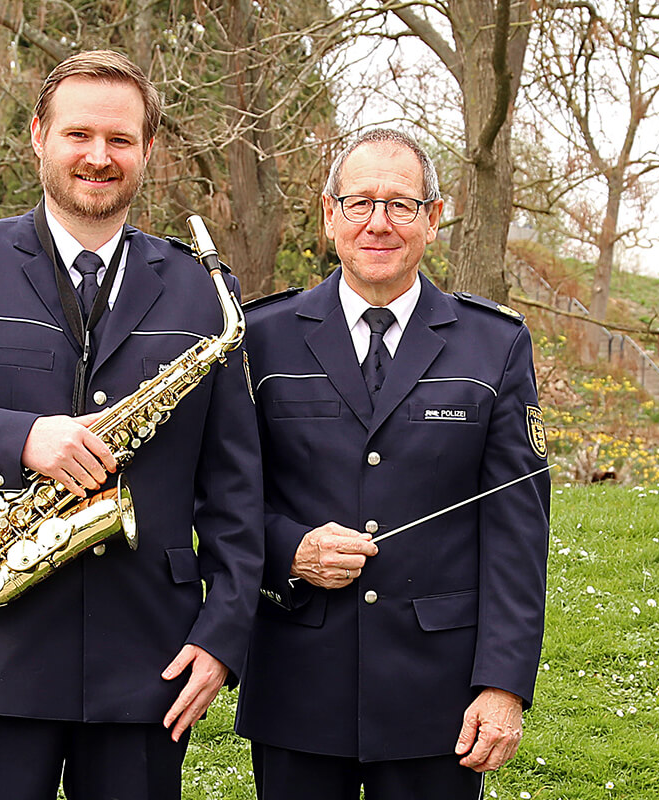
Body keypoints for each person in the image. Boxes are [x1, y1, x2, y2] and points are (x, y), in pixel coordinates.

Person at [0, 50, 262, 800]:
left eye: (120, 140)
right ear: (38, 135)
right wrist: (20, 440)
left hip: (149, 663)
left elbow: (236, 490)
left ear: (147, 151)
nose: (98, 157)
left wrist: (223, 636)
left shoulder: (207, 294)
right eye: (78, 135)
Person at [235, 128, 550, 799]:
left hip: (438, 697)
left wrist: (503, 684)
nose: (378, 223)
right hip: (298, 683)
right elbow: (223, 497)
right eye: (359, 203)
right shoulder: (259, 339)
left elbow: (517, 530)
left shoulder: (494, 344)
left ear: (433, 218)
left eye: (401, 205)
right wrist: (289, 548)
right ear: (329, 214)